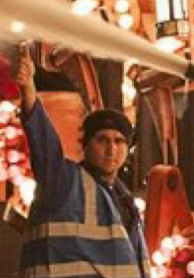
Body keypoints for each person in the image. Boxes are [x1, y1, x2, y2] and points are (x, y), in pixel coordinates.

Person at [15, 44, 149, 278]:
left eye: (119, 142)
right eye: (102, 140)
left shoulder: (124, 199)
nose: (111, 149)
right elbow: (44, 146)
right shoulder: (64, 181)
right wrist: (29, 93)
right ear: (84, 146)